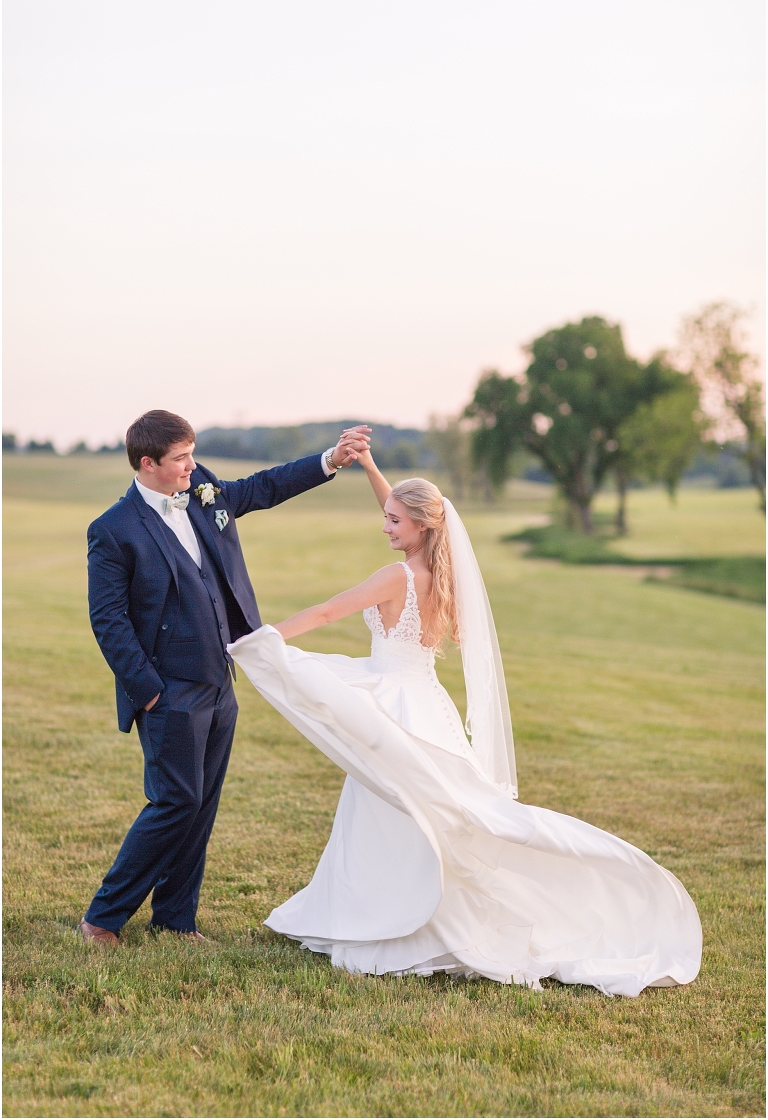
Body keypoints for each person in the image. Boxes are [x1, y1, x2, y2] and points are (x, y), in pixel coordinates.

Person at [229, 448, 703, 996]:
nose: (384, 525)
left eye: (393, 522)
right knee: (417, 806)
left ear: (419, 527)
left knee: (398, 805)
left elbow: (327, 612)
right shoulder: (443, 571)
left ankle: (390, 922)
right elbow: (409, 514)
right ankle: (387, 912)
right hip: (427, 704)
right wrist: (369, 467)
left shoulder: (395, 576)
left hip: (393, 702)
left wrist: (261, 641)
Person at [79, 409, 371, 946]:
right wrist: (148, 692)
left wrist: (330, 460)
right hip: (167, 691)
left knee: (202, 802)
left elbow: (262, 488)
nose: (193, 466)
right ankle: (102, 918)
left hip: (221, 678)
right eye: (181, 459)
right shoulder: (113, 530)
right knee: (175, 802)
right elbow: (109, 621)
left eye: (192, 454)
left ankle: (175, 919)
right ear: (148, 464)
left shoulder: (203, 490)